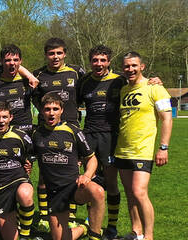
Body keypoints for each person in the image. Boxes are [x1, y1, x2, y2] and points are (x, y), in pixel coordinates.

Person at [114, 52, 172, 240]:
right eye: (126, 66)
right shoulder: (123, 90)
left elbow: (167, 119)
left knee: (139, 192)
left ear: (142, 66)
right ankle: (136, 231)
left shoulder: (155, 88)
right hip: (122, 150)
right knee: (130, 193)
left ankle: (149, 236)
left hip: (143, 150)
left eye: (134, 65)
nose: (130, 69)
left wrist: (163, 147)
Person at [32, 93, 105, 240]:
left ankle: (95, 235)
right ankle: (84, 228)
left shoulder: (74, 131)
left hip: (74, 186)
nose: (51, 113)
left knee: (98, 191)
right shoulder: (36, 133)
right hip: (54, 192)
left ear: (62, 110)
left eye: (55, 109)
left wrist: (87, 175)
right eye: (47, 109)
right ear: (41, 111)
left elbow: (92, 159)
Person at [31, 38, 85, 228]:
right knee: (44, 176)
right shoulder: (38, 74)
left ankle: (70, 218)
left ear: (65, 54)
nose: (55, 57)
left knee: (72, 175)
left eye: (59, 53)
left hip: (70, 129)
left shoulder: (76, 72)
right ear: (46, 55)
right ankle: (45, 217)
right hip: (46, 131)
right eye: (51, 53)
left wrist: (151, 79)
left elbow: (100, 79)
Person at [77, 45, 125, 239]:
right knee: (89, 181)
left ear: (109, 62)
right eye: (95, 60)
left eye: (103, 60)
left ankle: (111, 226)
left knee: (111, 183)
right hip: (89, 136)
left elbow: (139, 83)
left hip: (110, 136)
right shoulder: (84, 82)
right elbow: (72, 106)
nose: (99, 64)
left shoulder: (119, 80)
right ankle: (91, 223)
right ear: (90, 62)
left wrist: (154, 81)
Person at [0, 101, 35, 240]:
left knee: (25, 194)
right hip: (1, 186)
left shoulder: (21, 135)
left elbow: (32, 152)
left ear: (11, 117)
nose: (1, 121)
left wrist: (29, 164)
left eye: (4, 117)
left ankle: (25, 235)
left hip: (19, 180)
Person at [0, 44, 35, 133]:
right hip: (1, 130)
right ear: (1, 61)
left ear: (20, 61)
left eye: (16, 60)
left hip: (25, 130)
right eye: (8, 60)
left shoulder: (28, 80)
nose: (12, 63)